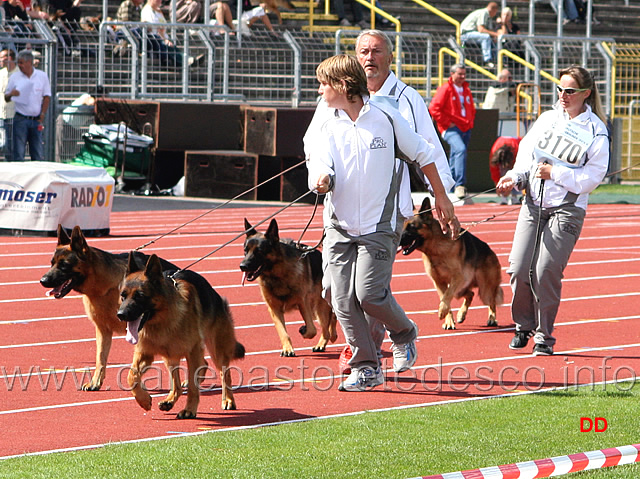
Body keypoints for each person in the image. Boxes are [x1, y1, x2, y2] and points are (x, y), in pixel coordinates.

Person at [306, 54, 456, 392]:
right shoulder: (327, 121)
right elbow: (319, 160)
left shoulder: (387, 117)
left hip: (380, 225)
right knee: (339, 298)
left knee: (369, 295)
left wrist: (442, 197)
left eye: (323, 84)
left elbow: (424, 153)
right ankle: (366, 366)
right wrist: (322, 178)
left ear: (343, 86)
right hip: (338, 226)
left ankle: (404, 333)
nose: (318, 91)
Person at [496, 65, 609, 356]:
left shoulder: (596, 130)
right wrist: (515, 177)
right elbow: (526, 155)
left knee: (545, 271)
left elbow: (592, 178)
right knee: (518, 268)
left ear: (586, 93)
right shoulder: (547, 119)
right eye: (560, 89)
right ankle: (524, 324)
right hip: (533, 204)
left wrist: (555, 173)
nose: (563, 95)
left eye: (570, 91)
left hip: (567, 209)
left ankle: (544, 336)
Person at [429, 63, 476, 199]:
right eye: (459, 74)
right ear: (452, 74)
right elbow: (434, 108)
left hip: (465, 127)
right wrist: (447, 123)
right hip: (451, 128)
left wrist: (470, 121)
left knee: (456, 155)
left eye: (464, 74)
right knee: (460, 150)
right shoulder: (445, 89)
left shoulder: (466, 89)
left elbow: (471, 108)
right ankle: (460, 185)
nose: (462, 77)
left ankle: (448, 185)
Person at [3, 49, 51, 162]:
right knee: (18, 154)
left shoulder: (42, 76)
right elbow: (6, 98)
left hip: (36, 119)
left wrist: (43, 114)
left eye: (21, 62)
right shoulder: (15, 77)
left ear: (29, 62)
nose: (19, 65)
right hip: (21, 118)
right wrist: (11, 94)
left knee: (37, 153)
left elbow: (47, 96)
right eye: (18, 62)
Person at [141, 0, 183, 67]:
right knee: (169, 48)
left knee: (174, 48)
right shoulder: (147, 11)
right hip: (156, 40)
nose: (160, 0)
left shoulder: (158, 11)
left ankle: (186, 60)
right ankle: (186, 61)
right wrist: (164, 39)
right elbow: (154, 29)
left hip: (164, 38)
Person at [460, 1, 500, 68]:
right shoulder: (484, 13)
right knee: (485, 37)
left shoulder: (488, 16)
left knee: (491, 38)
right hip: (466, 34)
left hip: (473, 33)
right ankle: (487, 60)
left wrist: (494, 35)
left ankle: (498, 60)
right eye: (496, 12)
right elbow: (481, 29)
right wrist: (496, 34)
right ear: (493, 9)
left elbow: (488, 30)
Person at [489, 135, 520, 204]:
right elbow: (494, 170)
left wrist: (511, 185)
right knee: (502, 172)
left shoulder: (517, 150)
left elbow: (518, 169)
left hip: (515, 155)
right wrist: (497, 185)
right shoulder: (494, 152)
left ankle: (514, 196)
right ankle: (504, 197)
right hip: (503, 147)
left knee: (515, 174)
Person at [0, 49, 17, 161]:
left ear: (9, 58)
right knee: (4, 144)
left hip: (14, 116)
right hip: (1, 115)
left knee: (10, 146)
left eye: (2, 57)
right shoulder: (1, 73)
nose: (0, 60)